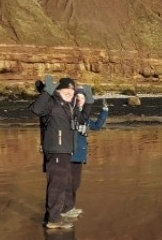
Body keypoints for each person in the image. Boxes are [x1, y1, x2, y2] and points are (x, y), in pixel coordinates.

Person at [30, 76, 91, 229]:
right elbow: (36, 109)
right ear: (58, 90)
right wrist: (47, 91)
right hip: (56, 149)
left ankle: (55, 216)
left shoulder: (68, 106)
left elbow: (82, 119)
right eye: (66, 90)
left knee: (61, 183)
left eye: (72, 90)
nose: (70, 92)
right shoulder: (52, 102)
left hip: (65, 150)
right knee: (57, 184)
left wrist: (86, 100)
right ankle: (54, 220)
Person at [62, 89, 108, 220]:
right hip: (68, 154)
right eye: (78, 97)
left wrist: (105, 110)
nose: (79, 99)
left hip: (80, 155)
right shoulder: (69, 113)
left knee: (75, 183)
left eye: (82, 97)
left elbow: (97, 126)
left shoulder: (85, 117)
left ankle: (70, 207)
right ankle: (65, 209)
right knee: (67, 182)